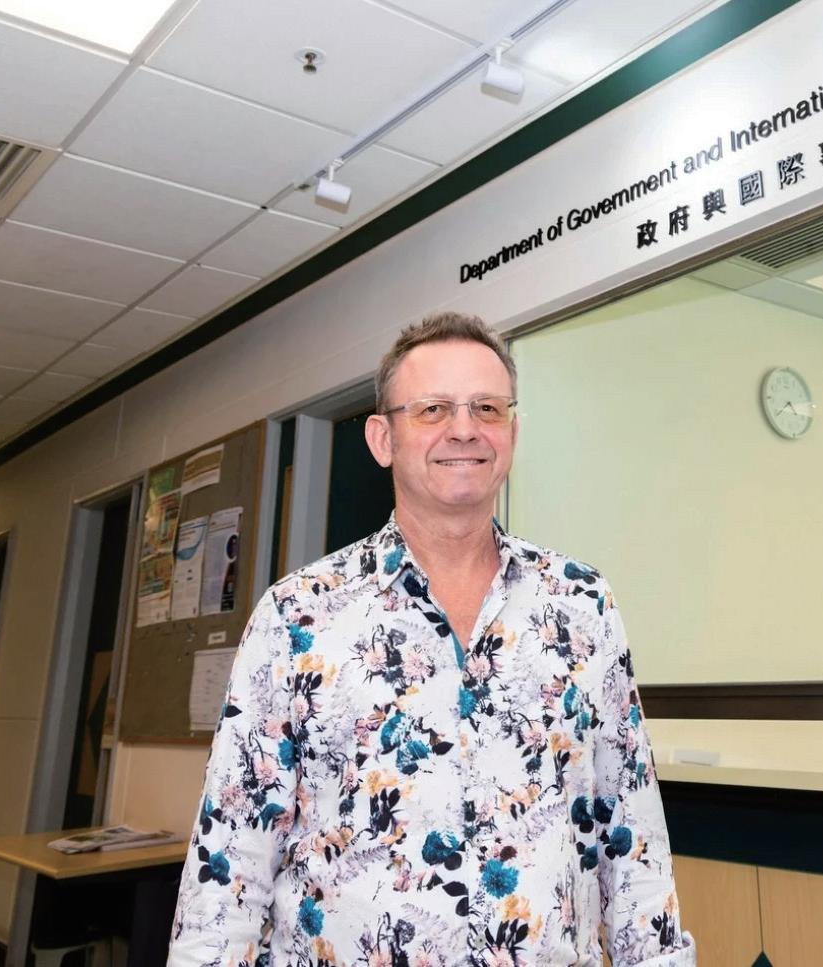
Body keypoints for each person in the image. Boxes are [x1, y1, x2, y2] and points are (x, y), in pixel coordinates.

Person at [169, 312, 695, 966]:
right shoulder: (297, 615)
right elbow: (231, 858)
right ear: (382, 437)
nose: (464, 428)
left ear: (513, 432)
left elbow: (633, 835)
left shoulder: (583, 603)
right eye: (433, 409)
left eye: (487, 408)